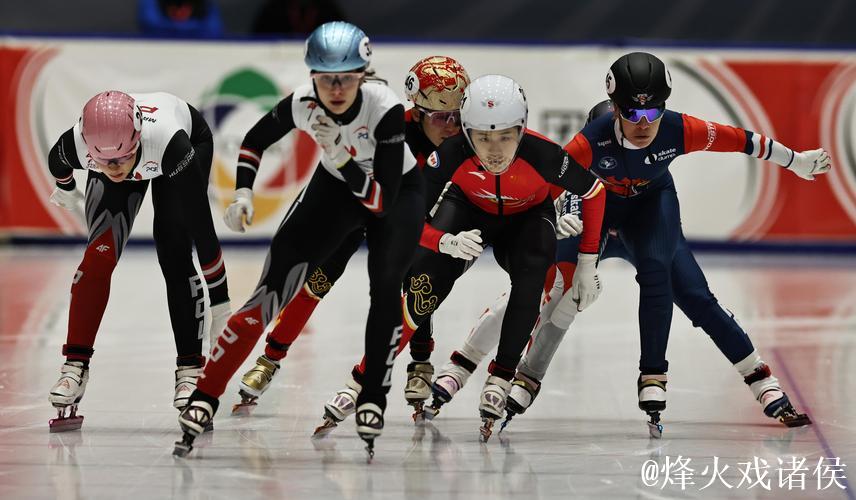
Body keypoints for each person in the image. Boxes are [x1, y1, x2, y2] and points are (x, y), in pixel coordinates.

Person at [435, 53, 826, 438]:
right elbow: (543, 191)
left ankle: (754, 379)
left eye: (652, 113)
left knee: (692, 295)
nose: (643, 123)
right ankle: (483, 369)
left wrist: (795, 161)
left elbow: (741, 140)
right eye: (632, 115)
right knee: (553, 293)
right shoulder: (588, 143)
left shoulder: (679, 128)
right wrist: (549, 219)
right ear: (615, 114)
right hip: (596, 213)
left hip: (650, 212)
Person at [173, 21, 423, 459]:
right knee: (267, 294)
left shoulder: (385, 108)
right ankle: (206, 395)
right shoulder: (304, 103)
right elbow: (253, 140)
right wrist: (244, 190)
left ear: (364, 73)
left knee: (385, 290)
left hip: (394, 193)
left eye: (347, 77)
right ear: (312, 77)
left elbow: (380, 204)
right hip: (334, 188)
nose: (337, 88)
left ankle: (372, 398)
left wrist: (343, 156)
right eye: (327, 79)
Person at [230, 56, 471, 424]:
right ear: (417, 110)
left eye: (458, 117)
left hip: (402, 208)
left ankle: (420, 361)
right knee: (315, 280)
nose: (451, 127)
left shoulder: (460, 140)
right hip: (354, 200)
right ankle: (270, 358)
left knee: (414, 275)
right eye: (442, 117)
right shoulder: (389, 123)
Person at [389, 74, 604, 441]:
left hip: (526, 219)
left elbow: (595, 192)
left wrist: (586, 262)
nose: (495, 150)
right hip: (467, 211)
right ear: (466, 132)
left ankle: (502, 373)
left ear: (522, 129)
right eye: (483, 138)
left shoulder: (544, 153)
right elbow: (408, 222)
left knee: (534, 275)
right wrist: (443, 242)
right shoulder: (451, 152)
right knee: (423, 273)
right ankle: (396, 365)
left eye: (506, 136)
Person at [46, 90, 232, 432]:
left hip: (186, 143)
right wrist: (67, 186)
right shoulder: (78, 146)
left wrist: (221, 304)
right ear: (90, 150)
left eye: (120, 160)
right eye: (103, 163)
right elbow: (57, 165)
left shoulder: (172, 145)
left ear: (136, 139)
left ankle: (190, 371)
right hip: (132, 148)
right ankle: (74, 366)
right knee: (98, 256)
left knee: (175, 253)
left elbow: (202, 229)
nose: (113, 169)